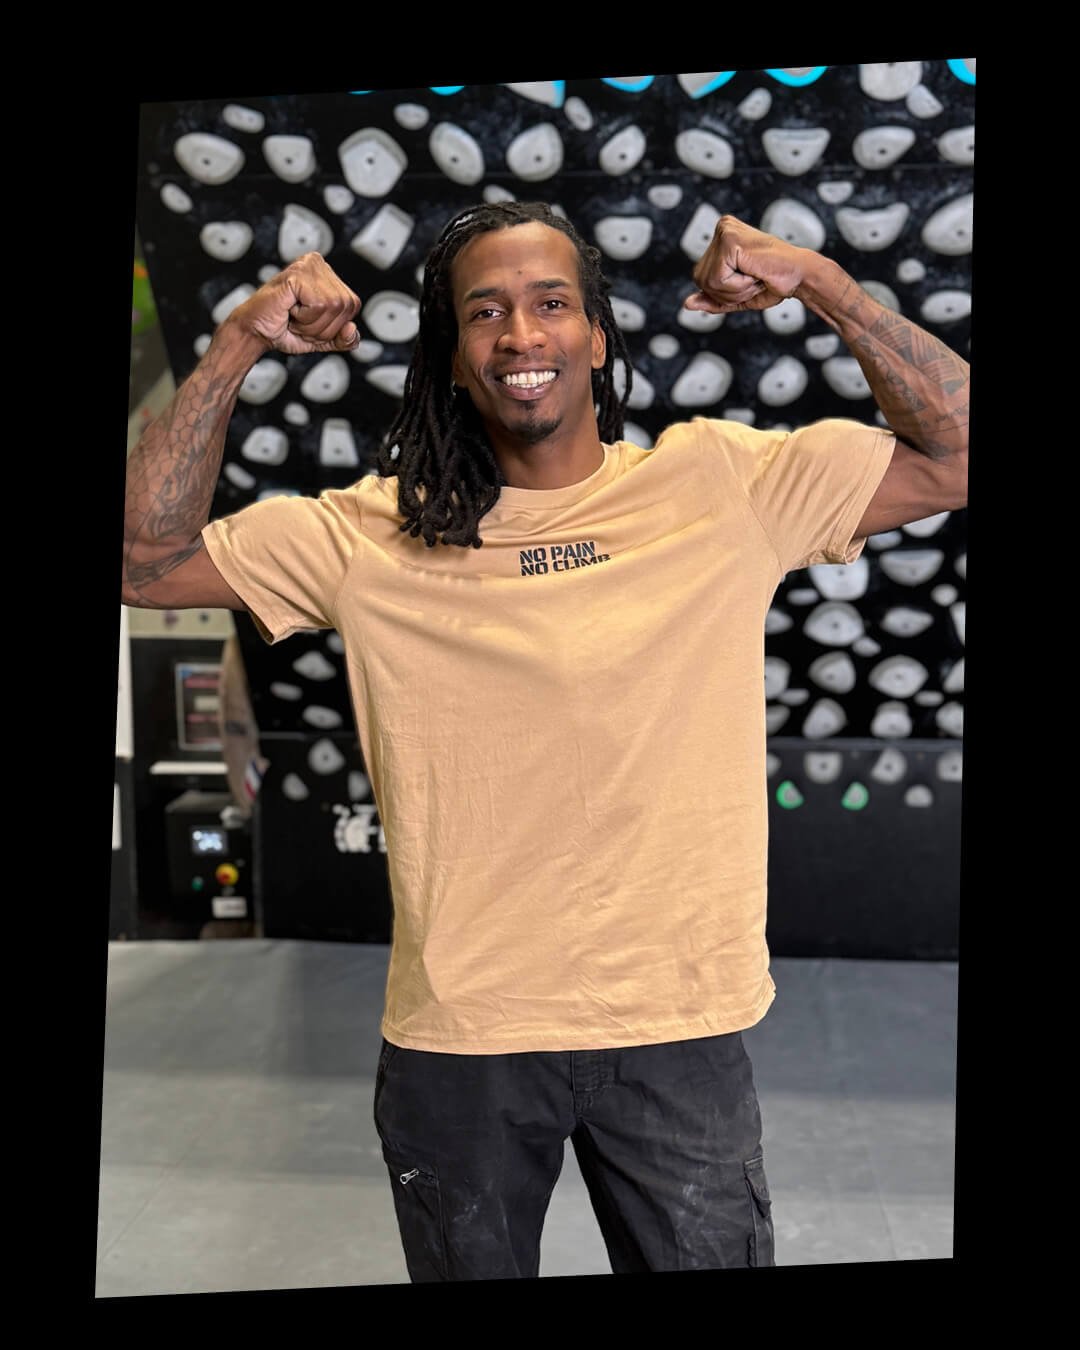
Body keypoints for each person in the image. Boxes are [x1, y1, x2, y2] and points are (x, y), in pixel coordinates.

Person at [121, 201, 969, 1279]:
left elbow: (957, 450)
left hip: (676, 1028)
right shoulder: (364, 535)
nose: (523, 336)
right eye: (487, 313)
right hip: (461, 1042)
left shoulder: (723, 484)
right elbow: (144, 563)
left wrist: (826, 286)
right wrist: (241, 340)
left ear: (598, 336)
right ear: (454, 354)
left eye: (552, 304)